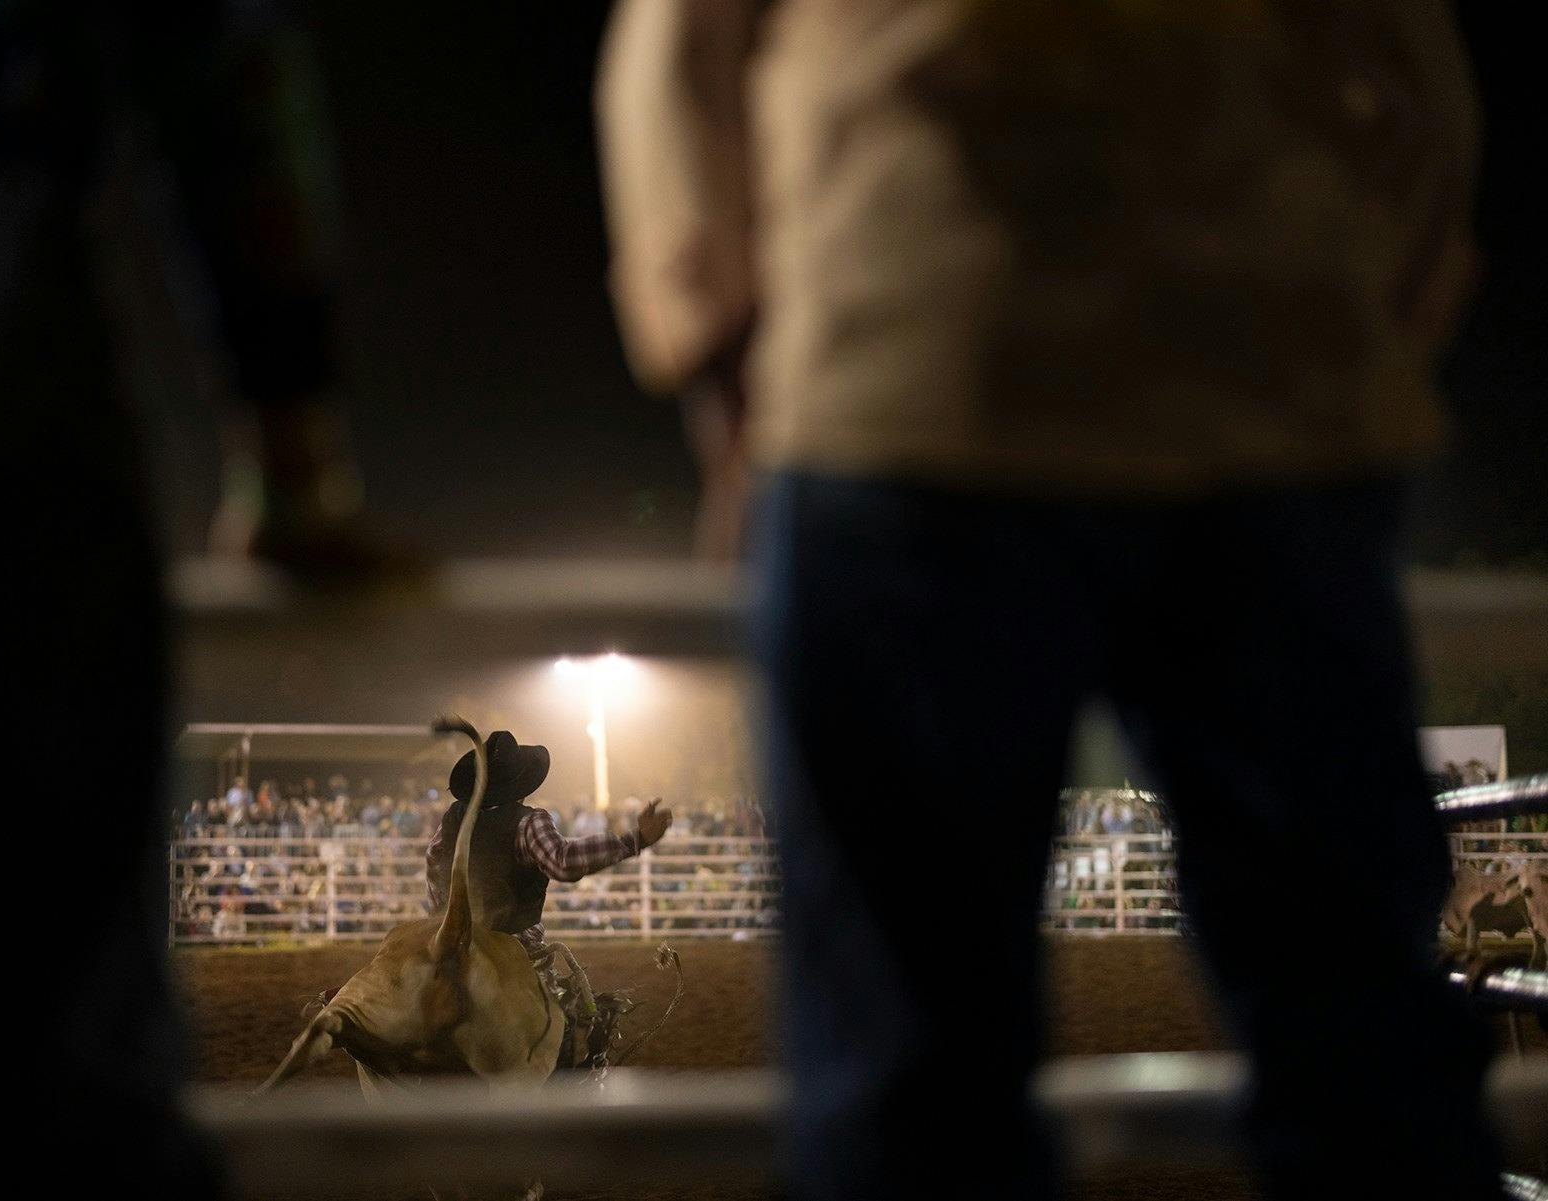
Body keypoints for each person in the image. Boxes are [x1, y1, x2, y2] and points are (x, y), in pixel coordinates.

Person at [597, 3, 1495, 1200]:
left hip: (910, 363)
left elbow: (675, 59)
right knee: (1363, 1050)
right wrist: (1368, 333)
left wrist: (724, 361)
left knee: (908, 1076)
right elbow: (1414, 79)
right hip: (1269, 380)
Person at [424, 730, 671, 968]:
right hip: (512, 945)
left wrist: (445, 919)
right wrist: (633, 840)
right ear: (520, 786)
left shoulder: (453, 819)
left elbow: (434, 861)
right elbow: (563, 862)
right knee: (553, 1004)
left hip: (450, 945)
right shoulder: (528, 822)